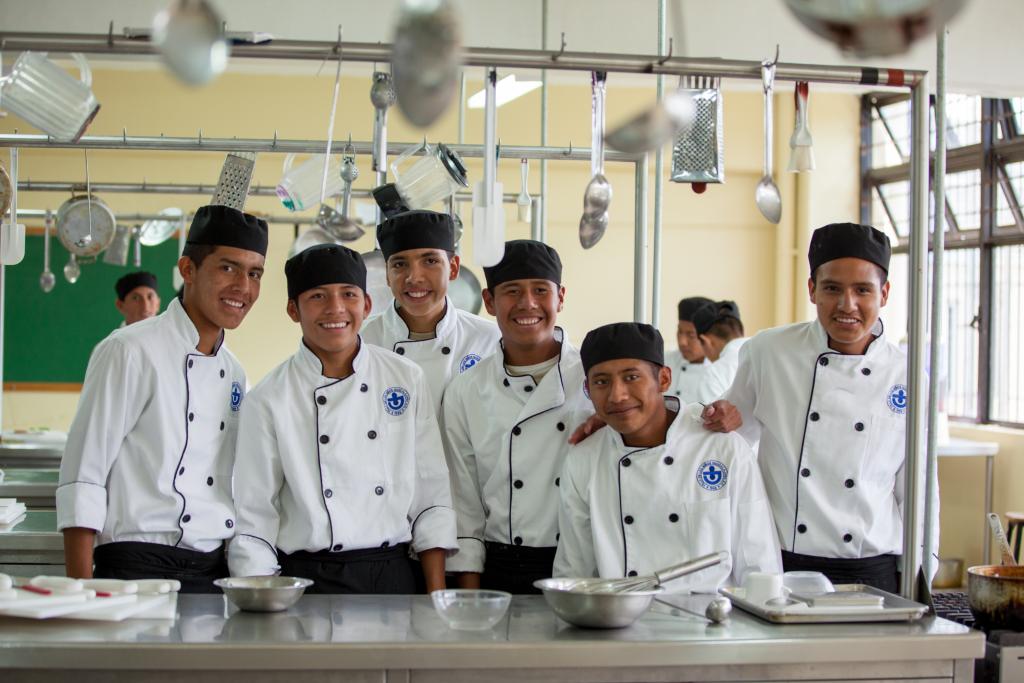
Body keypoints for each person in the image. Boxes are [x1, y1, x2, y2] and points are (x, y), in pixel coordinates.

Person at [703, 222, 938, 592]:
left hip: (874, 566)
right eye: (832, 288)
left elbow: (919, 484)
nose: (848, 305)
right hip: (784, 561)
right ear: (812, 290)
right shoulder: (769, 352)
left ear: (885, 293)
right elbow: (731, 439)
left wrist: (921, 569)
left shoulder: (907, 374)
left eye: (863, 290)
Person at [58, 205, 268, 592]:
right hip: (133, 566)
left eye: (254, 273)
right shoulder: (129, 350)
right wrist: (80, 594)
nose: (243, 286)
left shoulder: (236, 373)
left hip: (210, 569)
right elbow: (83, 474)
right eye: (228, 268)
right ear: (188, 269)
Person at [228, 244, 457, 593]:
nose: (335, 309)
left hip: (391, 573)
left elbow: (432, 495)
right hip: (307, 579)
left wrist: (436, 597)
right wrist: (263, 604)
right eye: (318, 296)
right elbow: (255, 515)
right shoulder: (268, 398)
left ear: (366, 305)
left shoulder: (404, 378)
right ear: (293, 310)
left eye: (348, 294)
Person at [555, 322, 781, 592]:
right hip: (621, 624)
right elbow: (575, 574)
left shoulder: (723, 449)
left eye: (631, 377)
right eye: (602, 382)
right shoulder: (584, 460)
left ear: (663, 379)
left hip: (714, 625)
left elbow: (759, 563)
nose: (617, 395)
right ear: (588, 391)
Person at [442, 240, 591, 594]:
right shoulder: (466, 390)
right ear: (490, 301)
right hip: (499, 566)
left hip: (583, 562)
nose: (528, 303)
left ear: (561, 297)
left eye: (541, 290)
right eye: (512, 291)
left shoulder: (594, 378)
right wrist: (469, 591)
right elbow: (465, 502)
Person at [361, 210, 499, 414]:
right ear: (387, 275)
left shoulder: (490, 340)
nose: (414, 278)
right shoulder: (363, 343)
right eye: (400, 264)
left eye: (430, 261)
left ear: (453, 268)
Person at [693, 300, 747, 403]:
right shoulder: (767, 353)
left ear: (706, 341)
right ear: (741, 331)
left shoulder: (714, 375)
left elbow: (713, 418)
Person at [664, 296, 713, 403]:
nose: (682, 342)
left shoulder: (719, 374)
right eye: (679, 332)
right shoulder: (663, 361)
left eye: (691, 335)